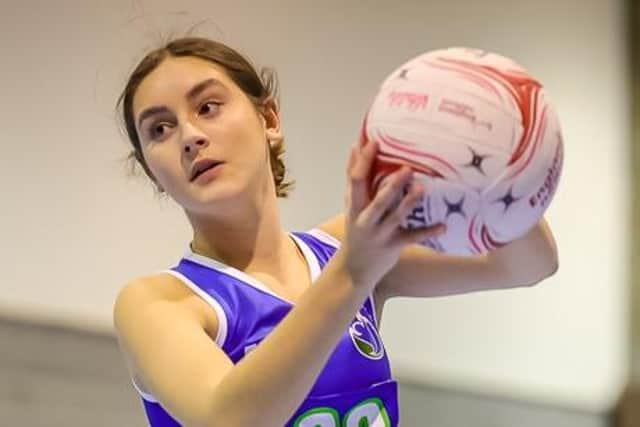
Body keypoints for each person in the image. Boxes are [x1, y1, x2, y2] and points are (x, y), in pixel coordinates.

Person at [113, 37, 558, 427]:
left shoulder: (347, 246)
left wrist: (485, 155)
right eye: (160, 129)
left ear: (269, 119)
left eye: (208, 107)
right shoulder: (157, 303)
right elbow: (229, 419)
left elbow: (529, 264)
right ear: (153, 172)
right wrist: (352, 275)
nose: (189, 135)